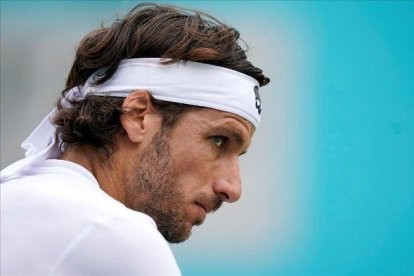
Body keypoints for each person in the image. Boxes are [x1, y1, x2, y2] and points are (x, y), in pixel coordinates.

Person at [0, 3, 270, 275]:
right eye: (219, 140)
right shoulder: (113, 233)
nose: (233, 188)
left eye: (239, 154)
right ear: (138, 115)